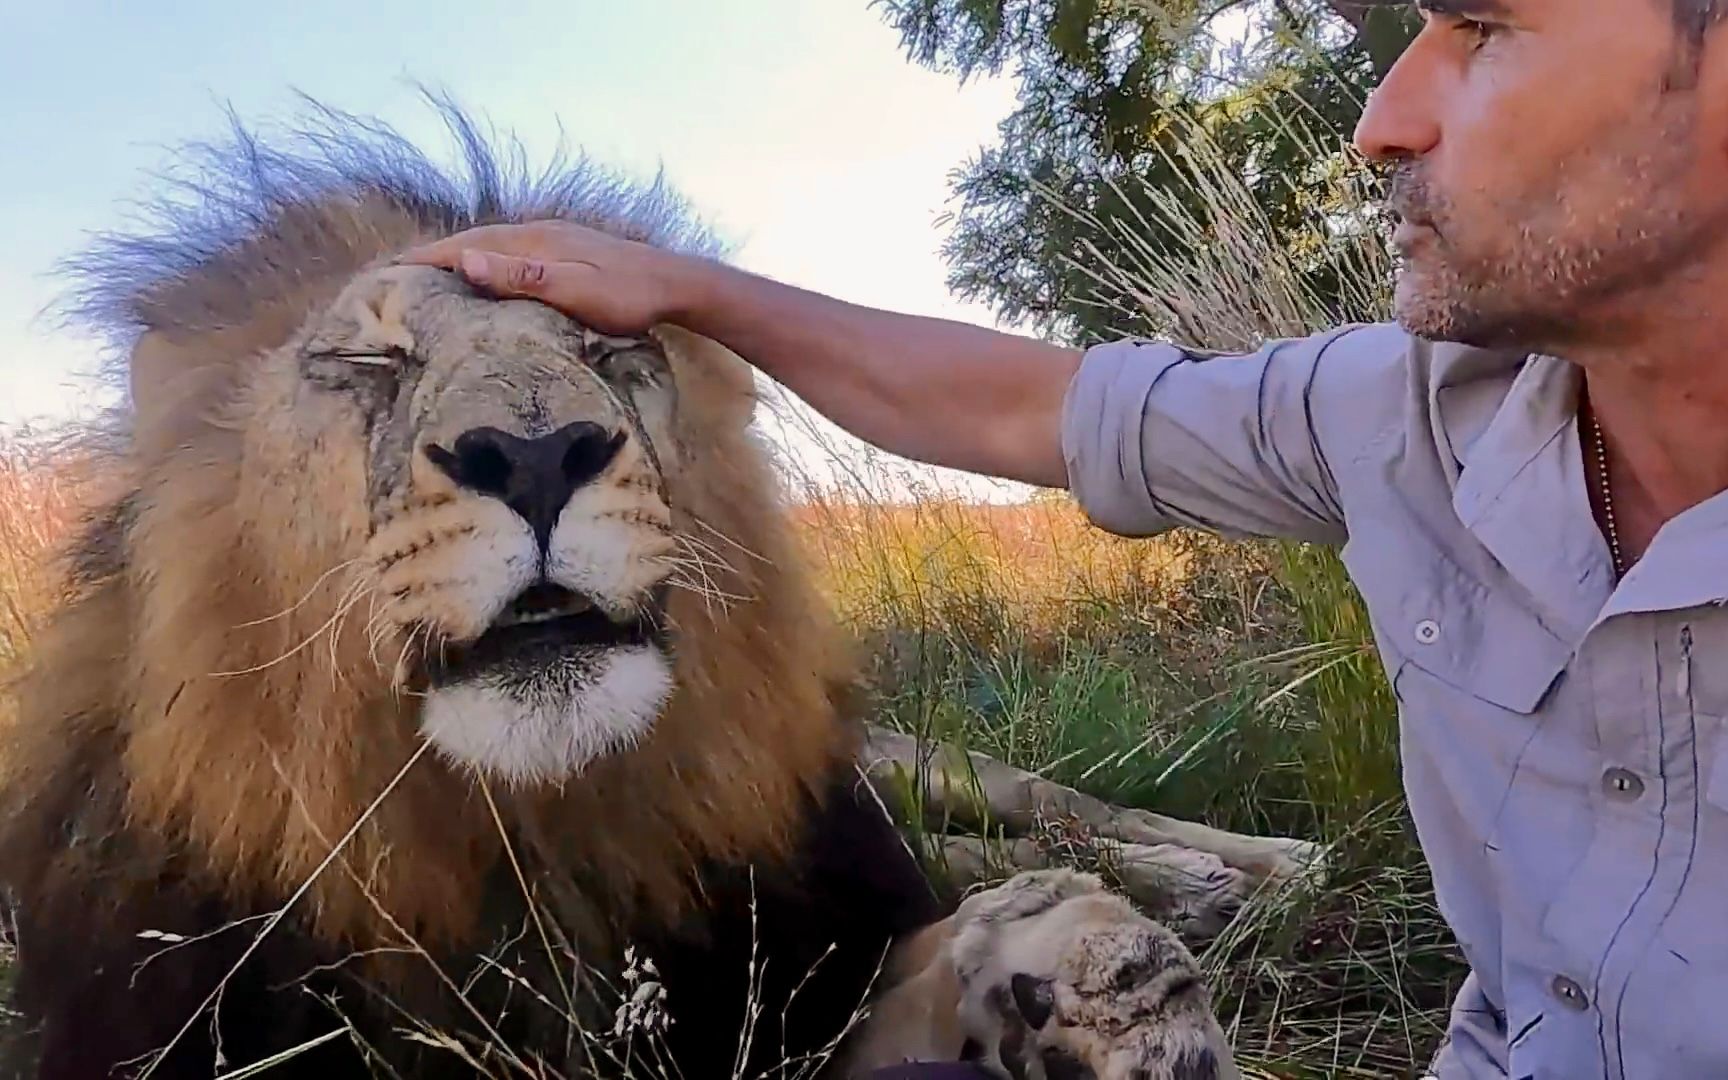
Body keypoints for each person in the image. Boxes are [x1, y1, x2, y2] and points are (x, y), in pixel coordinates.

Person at [398, 1, 1728, 1075]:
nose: (1384, 121)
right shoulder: (1397, 412)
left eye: (1483, 32)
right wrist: (692, 291)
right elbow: (1032, 405)